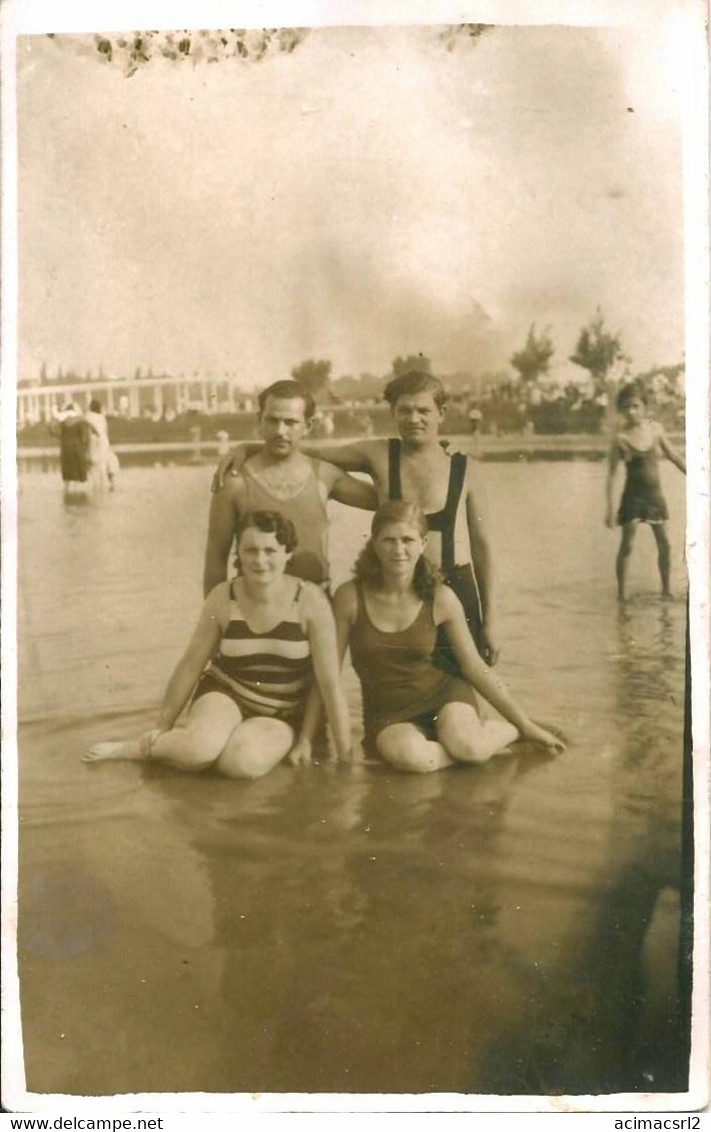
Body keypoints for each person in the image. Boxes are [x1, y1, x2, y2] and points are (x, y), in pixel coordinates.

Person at [214, 371, 499, 667]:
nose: (414, 419)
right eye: (405, 410)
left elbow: (483, 548)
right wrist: (248, 448)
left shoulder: (467, 470)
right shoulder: (377, 454)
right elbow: (309, 450)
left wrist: (491, 620)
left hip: (453, 585)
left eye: (423, 410)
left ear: (441, 413)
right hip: (397, 589)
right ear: (393, 412)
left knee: (466, 685)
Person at [83, 511, 353, 776]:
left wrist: (342, 762)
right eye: (250, 550)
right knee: (199, 750)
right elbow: (191, 665)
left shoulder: (311, 602)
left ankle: (210, 749)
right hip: (224, 694)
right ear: (239, 554)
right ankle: (137, 749)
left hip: (278, 714)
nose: (260, 560)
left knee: (240, 763)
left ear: (287, 553)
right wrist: (163, 725)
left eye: (270, 550)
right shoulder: (223, 597)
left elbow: (329, 685)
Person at [333, 502, 563, 773]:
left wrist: (525, 723)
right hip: (388, 715)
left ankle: (511, 732)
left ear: (423, 543)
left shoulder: (441, 598)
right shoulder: (349, 597)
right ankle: (477, 748)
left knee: (470, 749)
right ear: (374, 543)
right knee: (414, 760)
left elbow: (475, 668)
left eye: (408, 540)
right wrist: (317, 740)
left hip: (444, 697)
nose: (398, 550)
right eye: (389, 541)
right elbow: (329, 671)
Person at [203, 380, 377, 596]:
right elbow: (215, 561)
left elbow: (383, 501)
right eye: (272, 421)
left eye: (290, 422)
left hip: (315, 612)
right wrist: (216, 621)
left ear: (308, 426)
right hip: (254, 612)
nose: (280, 431)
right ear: (260, 420)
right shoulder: (234, 483)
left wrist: (379, 454)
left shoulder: (324, 474)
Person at [605, 381, 686, 602]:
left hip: (655, 497)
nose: (631, 412)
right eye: (626, 408)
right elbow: (612, 475)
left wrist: (697, 478)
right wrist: (610, 509)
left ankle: (666, 590)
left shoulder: (655, 430)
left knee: (665, 544)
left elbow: (674, 456)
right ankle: (621, 595)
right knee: (627, 545)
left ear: (645, 407)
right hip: (633, 497)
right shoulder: (620, 438)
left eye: (635, 406)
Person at [53, 402, 91, 497]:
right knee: (78, 468)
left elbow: (56, 433)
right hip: (77, 447)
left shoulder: (63, 421)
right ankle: (77, 494)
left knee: (67, 469)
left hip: (65, 447)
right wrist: (86, 448)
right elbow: (85, 436)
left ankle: (67, 491)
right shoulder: (80, 420)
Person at [85, 398, 114, 490]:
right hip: (103, 439)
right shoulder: (102, 417)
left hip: (93, 440)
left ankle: (95, 485)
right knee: (102, 462)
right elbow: (105, 430)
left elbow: (86, 429)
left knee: (93, 462)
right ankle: (103, 483)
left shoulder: (87, 416)